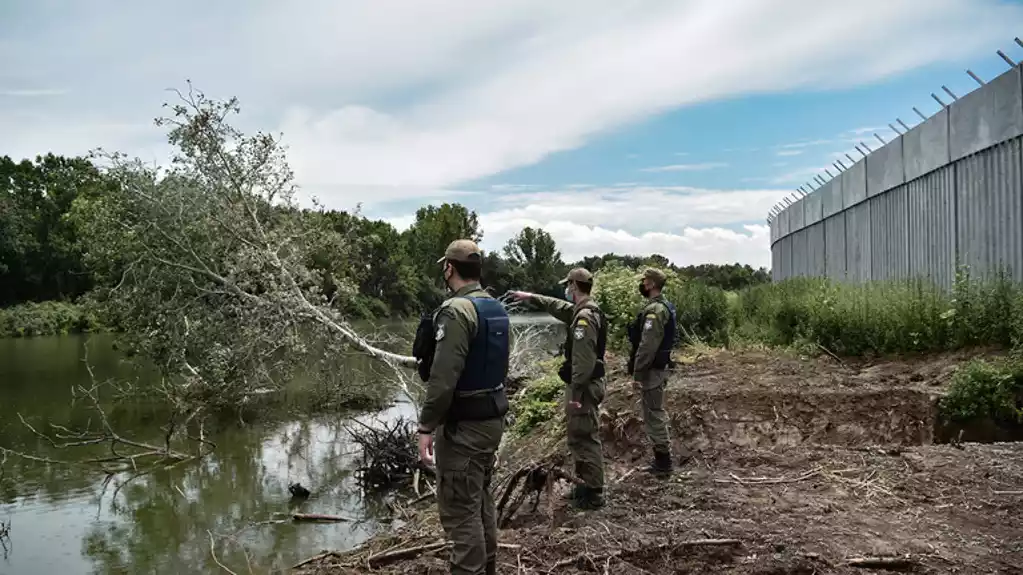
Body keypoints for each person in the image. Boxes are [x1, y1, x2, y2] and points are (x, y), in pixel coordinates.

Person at [415, 239, 510, 575]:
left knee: (460, 512)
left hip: (464, 429)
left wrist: (426, 427)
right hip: (490, 421)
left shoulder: (456, 310)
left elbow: (443, 381)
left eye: (445, 266)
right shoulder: (496, 307)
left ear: (449, 268)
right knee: (480, 503)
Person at [509, 268, 607, 509]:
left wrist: (575, 392)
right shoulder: (582, 310)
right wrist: (530, 297)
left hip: (582, 388)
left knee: (584, 437)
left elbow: (583, 365)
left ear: (574, 286)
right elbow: (558, 307)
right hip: (584, 386)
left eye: (568, 285)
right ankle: (584, 484)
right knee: (578, 435)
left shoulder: (584, 318)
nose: (566, 289)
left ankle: (594, 492)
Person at [627, 267, 678, 475]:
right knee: (653, 413)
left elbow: (647, 346)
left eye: (645, 281)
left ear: (653, 284)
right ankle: (661, 460)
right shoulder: (660, 307)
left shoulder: (655, 311)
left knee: (654, 414)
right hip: (657, 368)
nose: (643, 284)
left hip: (652, 371)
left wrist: (638, 374)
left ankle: (663, 463)